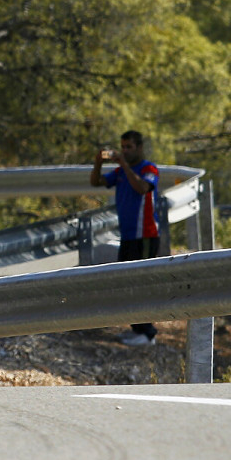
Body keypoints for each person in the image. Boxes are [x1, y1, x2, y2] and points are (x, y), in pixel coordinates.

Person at [91, 130, 160, 347]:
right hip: (128, 236)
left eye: (129, 147)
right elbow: (96, 182)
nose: (125, 151)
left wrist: (125, 166)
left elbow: (142, 188)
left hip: (146, 235)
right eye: (123, 147)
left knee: (142, 284)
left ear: (139, 147)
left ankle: (148, 333)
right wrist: (98, 163)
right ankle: (137, 329)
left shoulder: (149, 169)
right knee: (127, 283)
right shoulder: (120, 171)